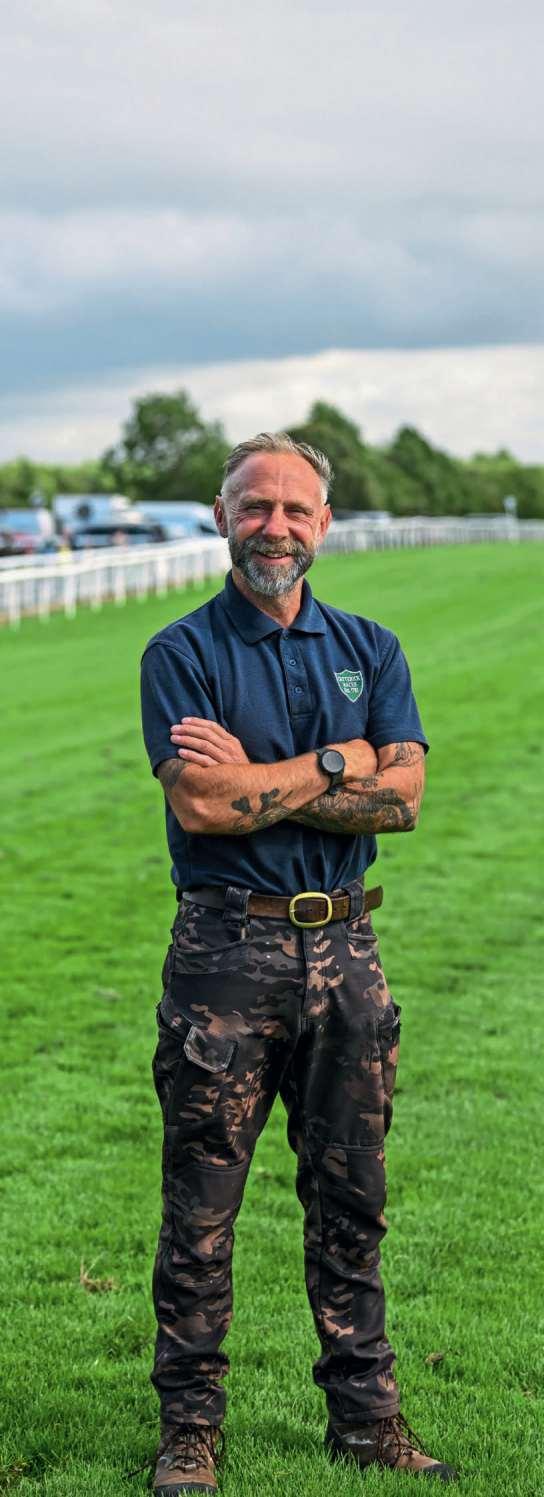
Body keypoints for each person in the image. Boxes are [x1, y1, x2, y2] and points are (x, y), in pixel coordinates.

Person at [140, 432, 457, 1493]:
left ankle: (367, 1420)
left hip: (350, 951)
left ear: (323, 522)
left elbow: (402, 801)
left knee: (353, 1196)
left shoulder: (370, 645)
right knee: (202, 1206)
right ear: (221, 516)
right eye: (254, 506)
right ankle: (189, 1431)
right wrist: (338, 758)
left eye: (293, 509)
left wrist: (269, 781)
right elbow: (204, 802)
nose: (273, 527)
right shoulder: (182, 653)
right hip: (226, 952)